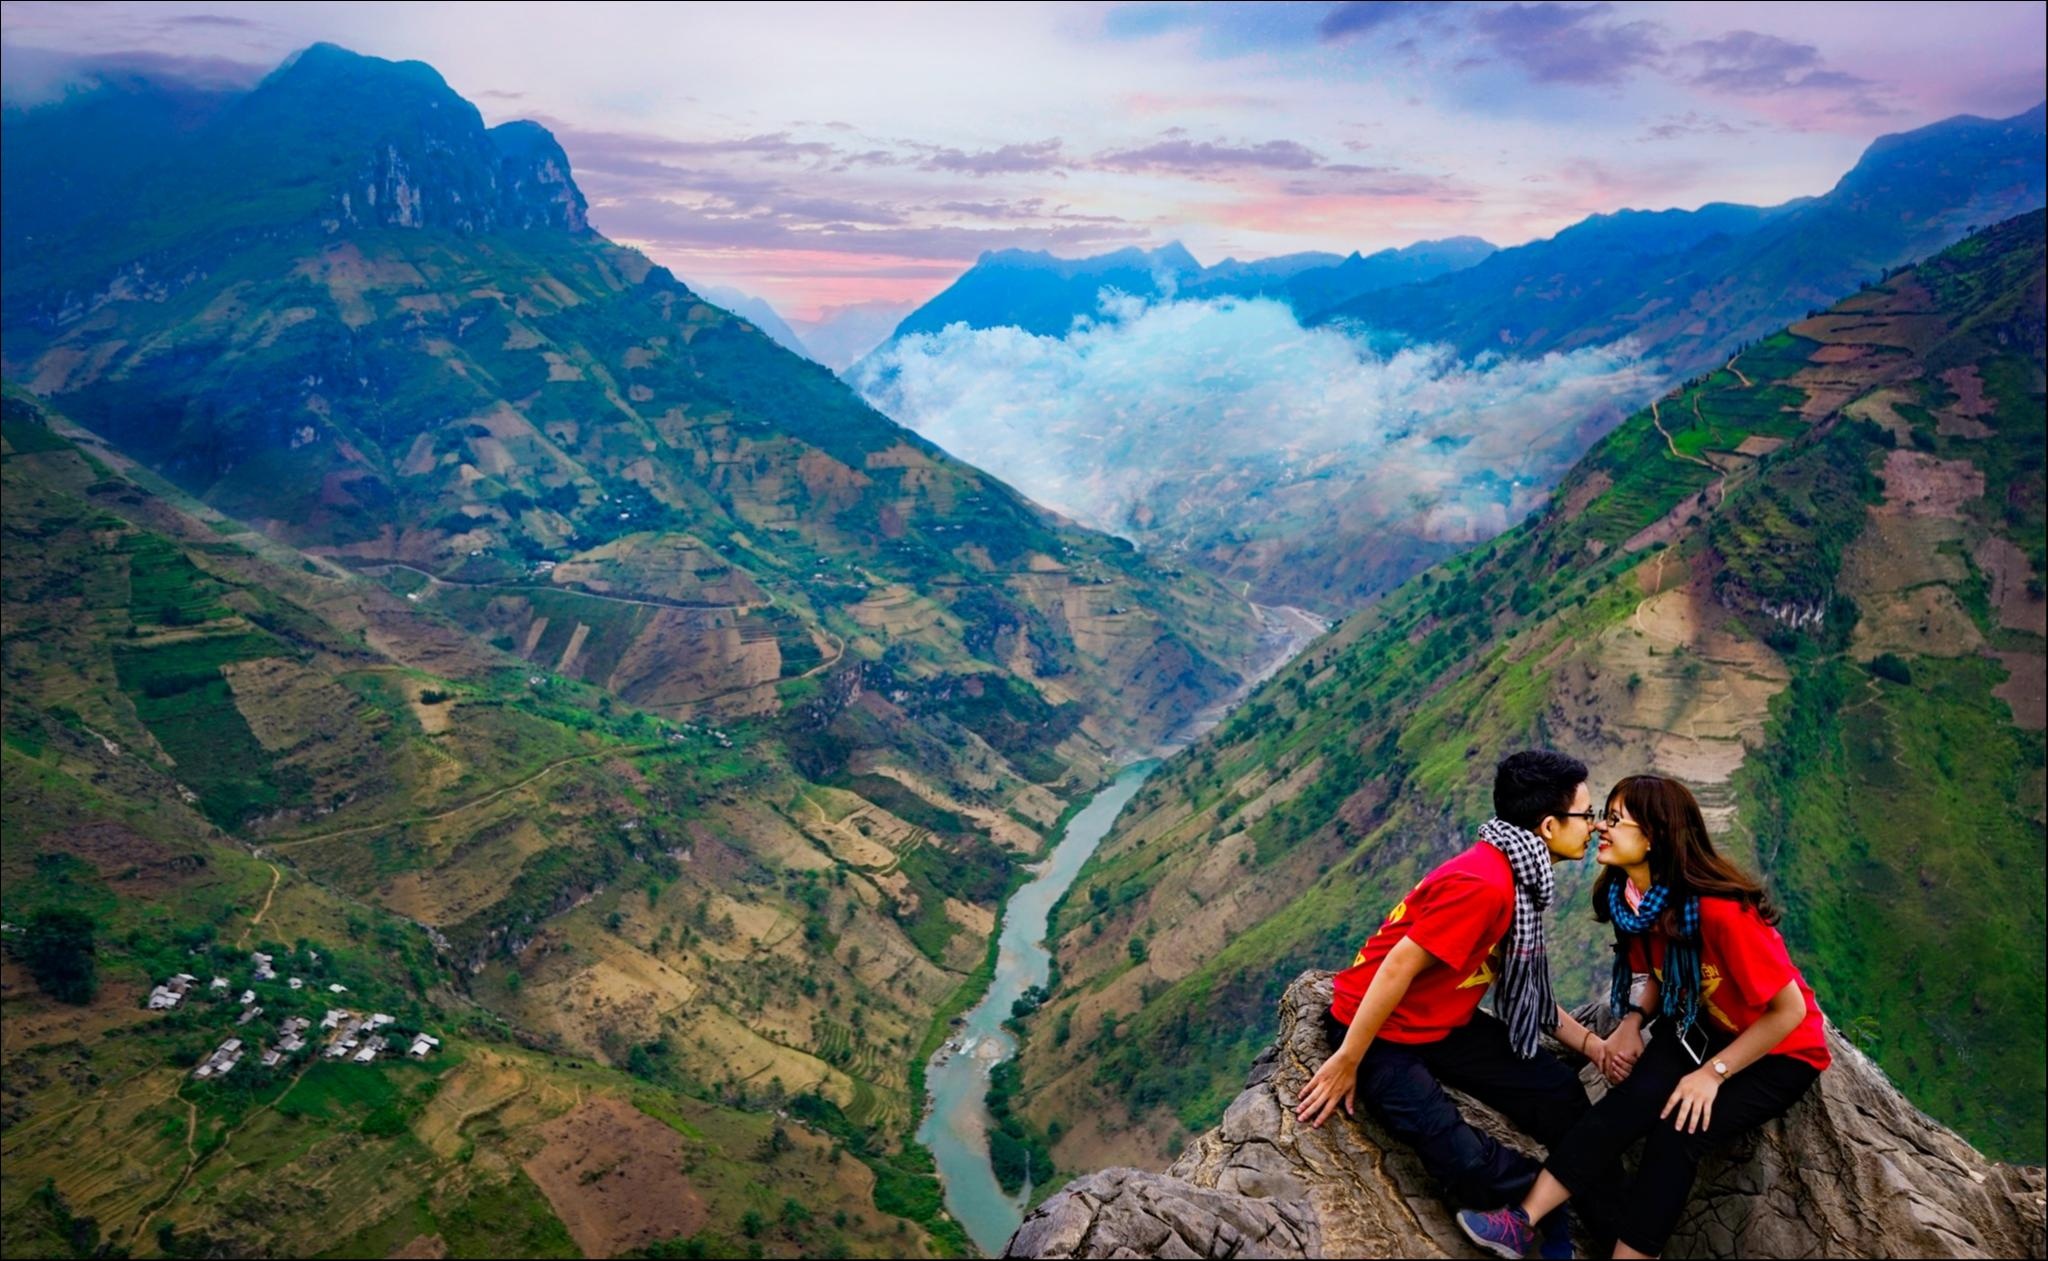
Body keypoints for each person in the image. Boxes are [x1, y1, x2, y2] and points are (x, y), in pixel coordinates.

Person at [1457, 774, 1831, 1260]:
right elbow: (1654, 971)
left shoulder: (1720, 911)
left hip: (1778, 1050)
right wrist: (1632, 1022)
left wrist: (1712, 1075)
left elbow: (1789, 1011)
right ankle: (1522, 1221)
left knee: (1678, 1132)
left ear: (1653, 836)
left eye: (1615, 819)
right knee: (1624, 1106)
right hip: (1699, 1023)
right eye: (1603, 817)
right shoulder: (1631, 900)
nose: (1600, 828)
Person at [1295, 750, 1603, 1259]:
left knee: (1558, 1091)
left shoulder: (1514, 877)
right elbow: (1396, 967)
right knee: (1463, 1160)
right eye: (1586, 814)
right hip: (1379, 1032)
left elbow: (1525, 988)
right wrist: (1348, 1059)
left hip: (1441, 1024)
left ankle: (1608, 1224)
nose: (1593, 826)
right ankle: (1541, 1205)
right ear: (1549, 826)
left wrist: (1594, 1047)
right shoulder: (1485, 884)